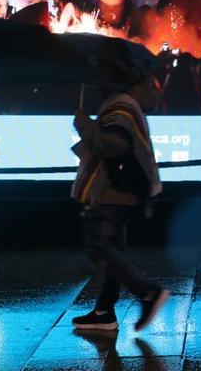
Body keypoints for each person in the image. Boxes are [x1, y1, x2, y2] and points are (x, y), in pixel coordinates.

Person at [70, 75, 169, 333]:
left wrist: (83, 125)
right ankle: (104, 312)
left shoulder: (119, 105)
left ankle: (147, 293)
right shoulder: (128, 103)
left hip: (109, 191)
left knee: (99, 245)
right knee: (113, 248)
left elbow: (112, 146)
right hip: (119, 191)